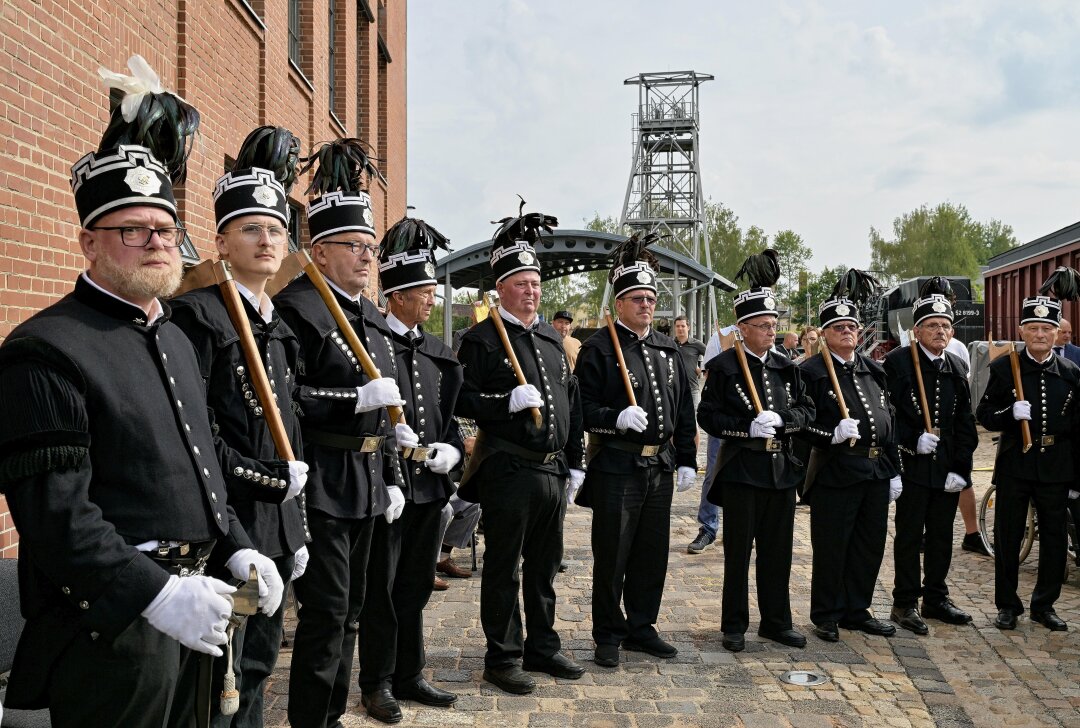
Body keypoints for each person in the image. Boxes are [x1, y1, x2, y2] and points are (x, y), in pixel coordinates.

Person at [0, 56, 283, 727]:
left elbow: (206, 462)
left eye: (163, 229)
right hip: (111, 633)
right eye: (133, 231)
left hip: (197, 613)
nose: (156, 243)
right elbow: (57, 519)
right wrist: (155, 596)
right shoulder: (42, 351)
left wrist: (237, 541)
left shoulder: (178, 338)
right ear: (88, 242)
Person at [170, 126, 310, 727]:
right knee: (217, 686)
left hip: (274, 528)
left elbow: (290, 437)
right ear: (222, 241)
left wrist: (295, 528)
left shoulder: (277, 328)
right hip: (227, 529)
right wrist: (270, 486)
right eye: (251, 228)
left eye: (276, 229)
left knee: (256, 669)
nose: (267, 239)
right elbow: (197, 439)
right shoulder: (198, 316)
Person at [275, 139, 410, 728]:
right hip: (324, 479)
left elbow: (389, 413)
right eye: (353, 247)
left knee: (354, 612)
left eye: (370, 248)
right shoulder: (297, 308)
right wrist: (350, 398)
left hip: (371, 479)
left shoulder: (370, 316)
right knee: (326, 615)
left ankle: (331, 713)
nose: (365, 258)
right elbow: (284, 397)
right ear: (321, 251)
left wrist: (396, 470)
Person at [455, 204, 586, 695]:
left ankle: (543, 646)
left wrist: (576, 462)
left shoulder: (552, 338)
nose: (531, 291)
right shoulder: (483, 339)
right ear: (501, 289)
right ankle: (503, 655)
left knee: (545, 565)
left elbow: (570, 404)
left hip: (551, 472)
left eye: (535, 283)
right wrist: (502, 401)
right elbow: (462, 400)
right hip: (508, 467)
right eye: (521, 283)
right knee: (505, 566)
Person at [355, 218, 464, 722]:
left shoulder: (440, 354)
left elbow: (452, 423)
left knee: (416, 585)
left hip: (428, 489)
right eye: (422, 291)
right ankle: (376, 681)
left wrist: (452, 453)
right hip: (386, 488)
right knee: (382, 589)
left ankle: (410, 673)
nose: (430, 300)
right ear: (395, 295)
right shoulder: (371, 341)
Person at [574, 233, 696, 668]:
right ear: (619, 304)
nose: (646, 305)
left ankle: (642, 626)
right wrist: (614, 417)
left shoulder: (668, 350)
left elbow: (683, 409)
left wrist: (686, 458)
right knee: (613, 554)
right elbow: (582, 408)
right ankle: (608, 632)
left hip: (659, 466)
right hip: (617, 466)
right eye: (636, 298)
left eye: (650, 297)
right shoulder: (599, 348)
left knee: (651, 553)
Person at [697, 249, 814, 653]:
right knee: (738, 554)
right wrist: (744, 428)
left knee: (778, 553)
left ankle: (776, 621)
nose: (770, 331)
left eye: (773, 325)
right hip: (742, 470)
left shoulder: (786, 365)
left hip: (780, 469)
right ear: (743, 327)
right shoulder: (726, 365)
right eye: (762, 326)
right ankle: (734, 625)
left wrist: (786, 420)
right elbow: (707, 416)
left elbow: (806, 409)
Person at [976, 268, 1080, 632]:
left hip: (1055, 466)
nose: (1040, 334)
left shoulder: (1070, 372)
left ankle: (1044, 605)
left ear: (1056, 333)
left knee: (1054, 537)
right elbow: (984, 414)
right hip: (1015, 465)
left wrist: (1076, 476)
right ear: (1021, 331)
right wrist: (1009, 414)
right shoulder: (1006, 367)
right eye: (1033, 329)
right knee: (1008, 535)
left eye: (1047, 329)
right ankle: (1008, 604)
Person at [799, 269, 900, 643]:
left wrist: (895, 470)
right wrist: (831, 436)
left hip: (874, 471)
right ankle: (826, 613)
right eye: (838, 326)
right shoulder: (809, 372)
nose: (847, 331)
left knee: (868, 545)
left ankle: (857, 609)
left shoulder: (874, 370)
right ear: (825, 333)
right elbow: (799, 426)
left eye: (851, 326)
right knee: (832, 546)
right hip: (836, 471)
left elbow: (890, 421)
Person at [883, 279, 978, 635]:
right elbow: (887, 415)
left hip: (945, 467)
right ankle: (904, 601)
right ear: (917, 330)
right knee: (909, 534)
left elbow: (965, 423)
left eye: (946, 326)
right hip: (912, 463)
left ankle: (935, 597)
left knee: (941, 535)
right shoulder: (897, 362)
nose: (940, 331)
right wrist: (911, 440)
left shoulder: (955, 365)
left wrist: (962, 469)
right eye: (933, 325)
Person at [689, 323, 738, 554]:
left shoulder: (768, 334)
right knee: (714, 472)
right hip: (724, 417)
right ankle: (708, 526)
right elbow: (709, 374)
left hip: (754, 422)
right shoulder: (720, 337)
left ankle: (742, 529)